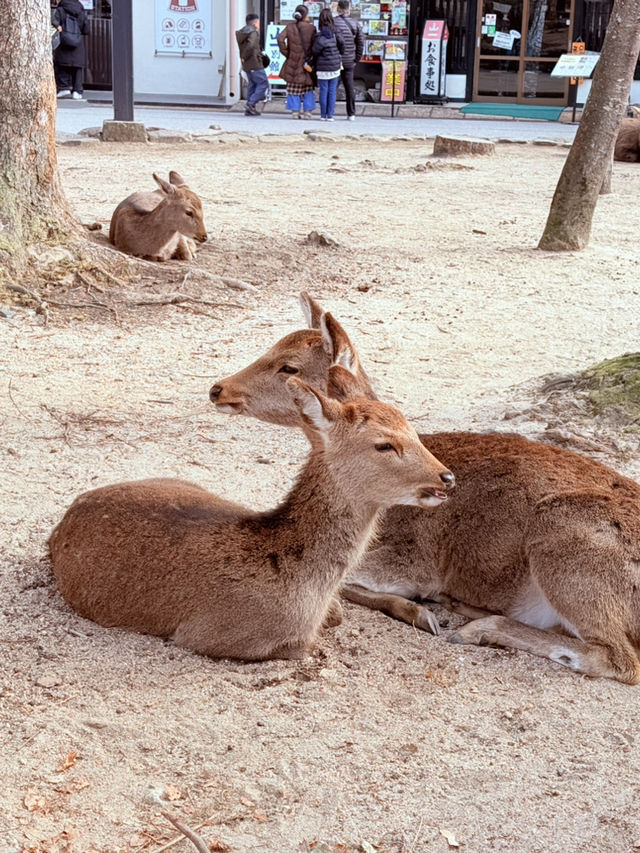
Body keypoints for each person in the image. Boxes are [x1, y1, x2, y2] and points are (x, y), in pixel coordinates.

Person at [277, 5, 316, 119]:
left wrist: (287, 53)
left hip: (292, 61)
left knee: (293, 86)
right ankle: (308, 112)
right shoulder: (311, 28)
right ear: (304, 15)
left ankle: (295, 112)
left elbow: (280, 39)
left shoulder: (289, 27)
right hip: (306, 63)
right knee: (307, 87)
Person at [51, 0, 90, 100]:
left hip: (63, 42)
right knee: (77, 68)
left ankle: (64, 88)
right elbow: (86, 29)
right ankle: (77, 91)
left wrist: (59, 27)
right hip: (78, 44)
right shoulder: (81, 11)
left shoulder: (60, 10)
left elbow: (53, 22)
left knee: (62, 65)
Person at [333, 0, 364, 121]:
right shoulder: (355, 24)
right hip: (349, 61)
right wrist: (356, 58)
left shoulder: (333, 23)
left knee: (332, 87)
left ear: (338, 9)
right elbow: (360, 43)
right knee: (349, 87)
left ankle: (329, 112)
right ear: (349, 9)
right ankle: (351, 113)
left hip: (335, 60)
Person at [312, 8, 344, 121]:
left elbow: (315, 51)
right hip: (334, 65)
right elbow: (342, 46)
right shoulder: (336, 34)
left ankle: (323, 115)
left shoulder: (319, 36)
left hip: (322, 67)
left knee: (323, 90)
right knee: (332, 90)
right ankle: (330, 115)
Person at [235, 13, 269, 117]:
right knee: (263, 83)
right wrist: (245, 55)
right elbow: (251, 46)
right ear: (255, 23)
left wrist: (243, 58)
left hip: (247, 63)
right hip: (254, 62)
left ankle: (250, 108)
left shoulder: (241, 32)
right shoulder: (253, 32)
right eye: (258, 22)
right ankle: (251, 103)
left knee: (252, 84)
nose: (259, 24)